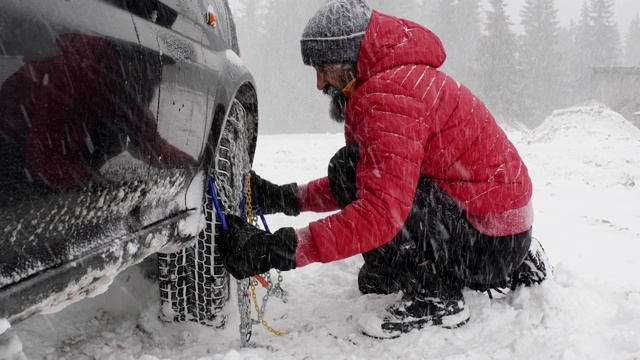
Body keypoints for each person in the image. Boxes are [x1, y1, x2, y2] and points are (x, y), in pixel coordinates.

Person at [217, 0, 549, 339]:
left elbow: (379, 212)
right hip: (503, 230)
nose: (319, 83)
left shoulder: (391, 96)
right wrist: (285, 198)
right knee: (377, 267)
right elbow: (371, 176)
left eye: (322, 68)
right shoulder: (391, 80)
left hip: (488, 240)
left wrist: (276, 250)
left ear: (346, 59)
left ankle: (436, 296)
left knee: (357, 183)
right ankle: (508, 266)